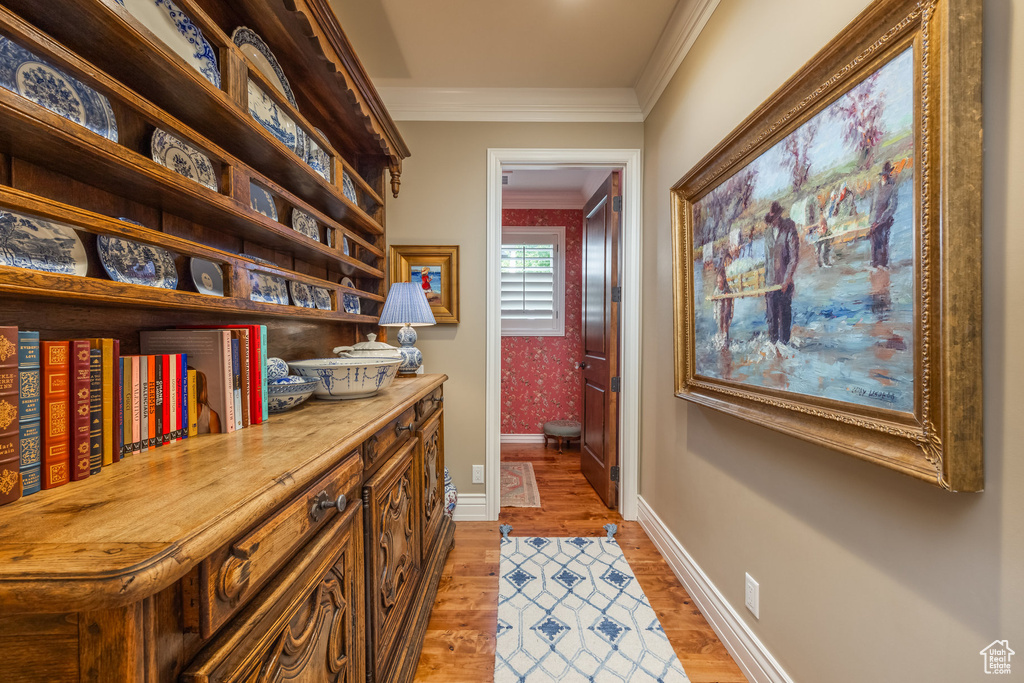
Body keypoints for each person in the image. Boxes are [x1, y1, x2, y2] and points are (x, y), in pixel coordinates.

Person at [763, 200, 800, 349]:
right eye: (771, 220)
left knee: (784, 319)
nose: (773, 222)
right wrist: (766, 285)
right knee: (771, 320)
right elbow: (767, 260)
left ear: (779, 216)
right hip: (771, 284)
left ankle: (784, 353)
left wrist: (787, 280)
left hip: (784, 284)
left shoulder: (789, 228)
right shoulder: (767, 234)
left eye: (775, 218)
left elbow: (794, 258)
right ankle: (773, 353)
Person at [869, 161, 898, 268]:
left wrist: (881, 220)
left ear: (889, 173)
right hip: (873, 221)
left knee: (883, 245)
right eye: (883, 174)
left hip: (884, 221)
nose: (885, 176)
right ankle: (874, 268)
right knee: (874, 247)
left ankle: (883, 271)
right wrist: (871, 221)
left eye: (887, 174)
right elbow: (872, 204)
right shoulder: (876, 186)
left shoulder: (892, 186)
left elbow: (892, 206)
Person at [713, 268, 734, 347]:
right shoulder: (716, 290)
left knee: (725, 322)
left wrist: (727, 296)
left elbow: (730, 300)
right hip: (719, 310)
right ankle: (720, 340)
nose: (719, 284)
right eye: (718, 282)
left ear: (724, 281)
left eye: (720, 282)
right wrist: (715, 312)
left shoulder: (727, 289)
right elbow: (714, 301)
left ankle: (725, 341)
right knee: (720, 324)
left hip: (726, 310)